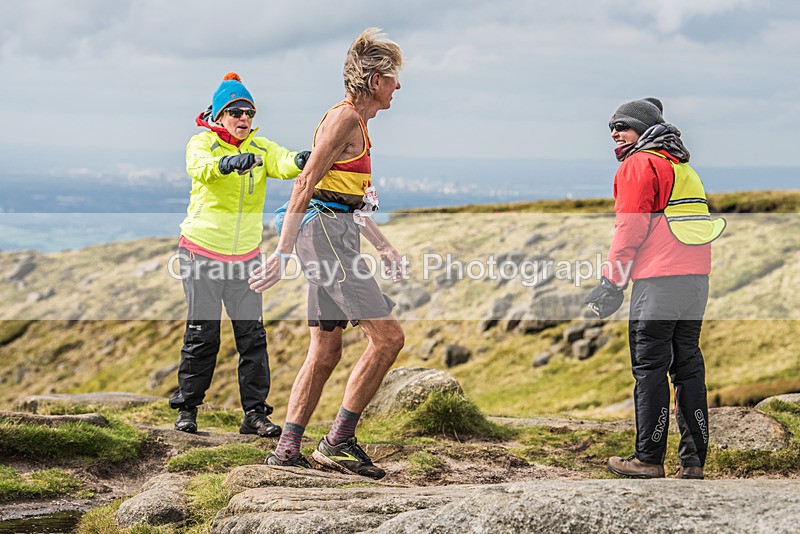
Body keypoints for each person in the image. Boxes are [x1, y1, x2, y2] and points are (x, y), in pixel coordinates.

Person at [248, 28, 405, 479]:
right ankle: (337, 442)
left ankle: (288, 448)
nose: (399, 87)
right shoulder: (344, 120)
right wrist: (280, 253)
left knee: (326, 349)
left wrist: (382, 243)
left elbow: (344, 198)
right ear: (376, 80)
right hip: (324, 236)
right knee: (388, 338)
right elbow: (305, 184)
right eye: (394, 78)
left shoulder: (356, 124)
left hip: (332, 231)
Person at [585, 97, 725, 480]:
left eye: (624, 126)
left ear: (645, 130)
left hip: (658, 281)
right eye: (612, 128)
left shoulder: (639, 163)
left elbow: (629, 228)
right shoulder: (682, 167)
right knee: (688, 367)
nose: (616, 133)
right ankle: (694, 462)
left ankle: (648, 458)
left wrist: (611, 281)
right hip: (696, 280)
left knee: (649, 368)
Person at [169, 72, 310, 436]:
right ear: (219, 116)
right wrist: (227, 164)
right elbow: (198, 169)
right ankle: (187, 409)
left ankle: (255, 414)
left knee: (252, 336)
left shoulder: (260, 147)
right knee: (203, 334)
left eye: (248, 112)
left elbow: (283, 161)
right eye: (235, 112)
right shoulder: (203, 143)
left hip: (246, 258)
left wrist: (308, 157)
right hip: (201, 254)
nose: (244, 118)